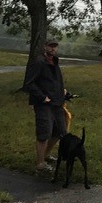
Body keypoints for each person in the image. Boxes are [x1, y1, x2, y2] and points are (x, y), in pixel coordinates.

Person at [24, 39, 70, 173]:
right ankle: (40, 163)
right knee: (44, 133)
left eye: (55, 47)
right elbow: (29, 83)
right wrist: (42, 97)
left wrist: (63, 91)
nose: (53, 49)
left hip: (57, 103)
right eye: (50, 46)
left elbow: (55, 81)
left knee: (60, 131)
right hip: (44, 105)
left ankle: (46, 155)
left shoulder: (55, 62)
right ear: (45, 47)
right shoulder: (39, 63)